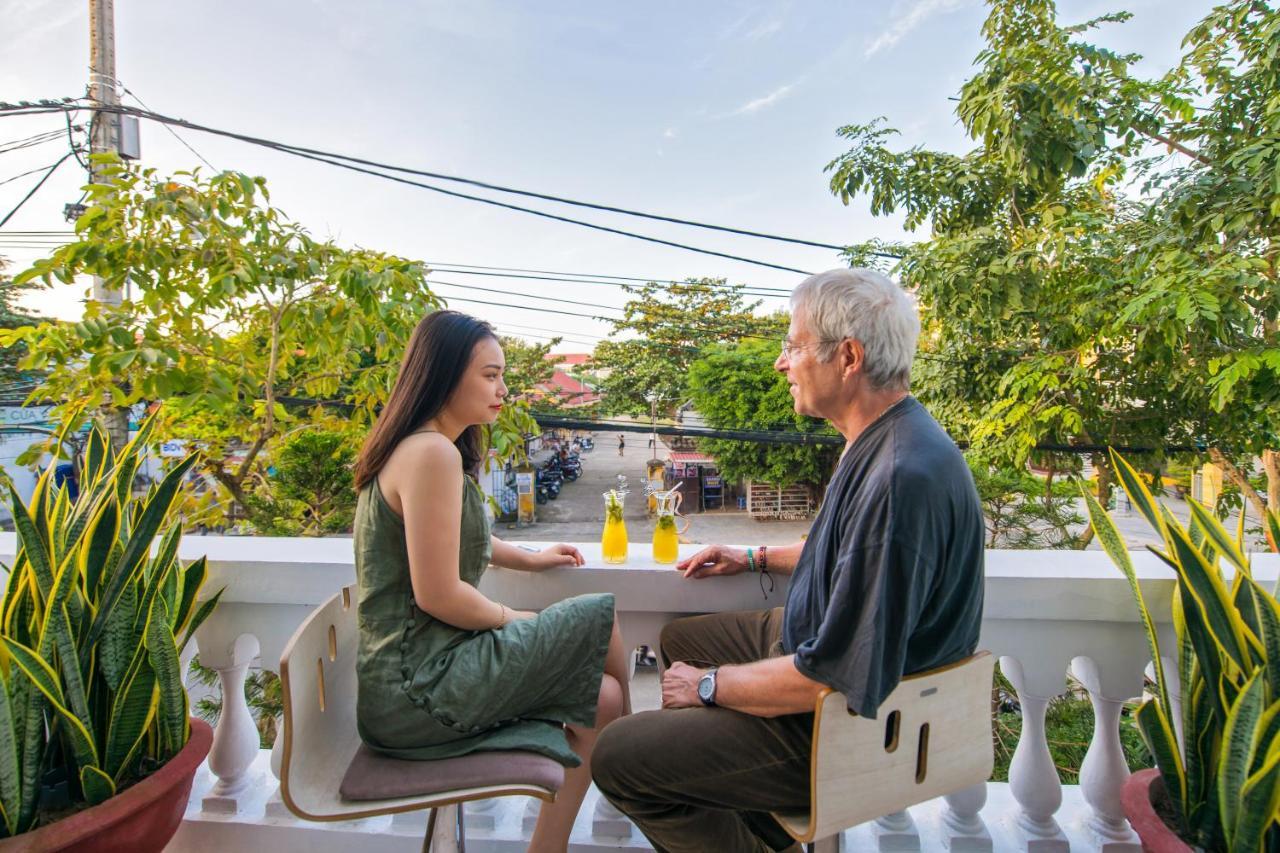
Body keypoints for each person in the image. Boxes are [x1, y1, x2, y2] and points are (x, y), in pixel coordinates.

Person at [591, 269, 985, 853]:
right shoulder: (882, 434)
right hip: (814, 651)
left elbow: (832, 673)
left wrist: (708, 687)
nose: (782, 363)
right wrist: (754, 556)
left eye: (794, 347)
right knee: (681, 638)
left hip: (847, 730)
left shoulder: (900, 479)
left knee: (618, 756)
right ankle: (761, 826)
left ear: (848, 357)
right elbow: (845, 551)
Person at [352, 310, 631, 853]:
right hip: (418, 684)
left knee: (603, 699)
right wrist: (517, 621)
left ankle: (548, 844)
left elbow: (455, 541)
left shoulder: (426, 448)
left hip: (409, 678)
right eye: (489, 375)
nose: (503, 389)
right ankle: (640, 772)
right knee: (601, 615)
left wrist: (531, 559)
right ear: (444, 373)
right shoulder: (429, 453)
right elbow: (438, 593)